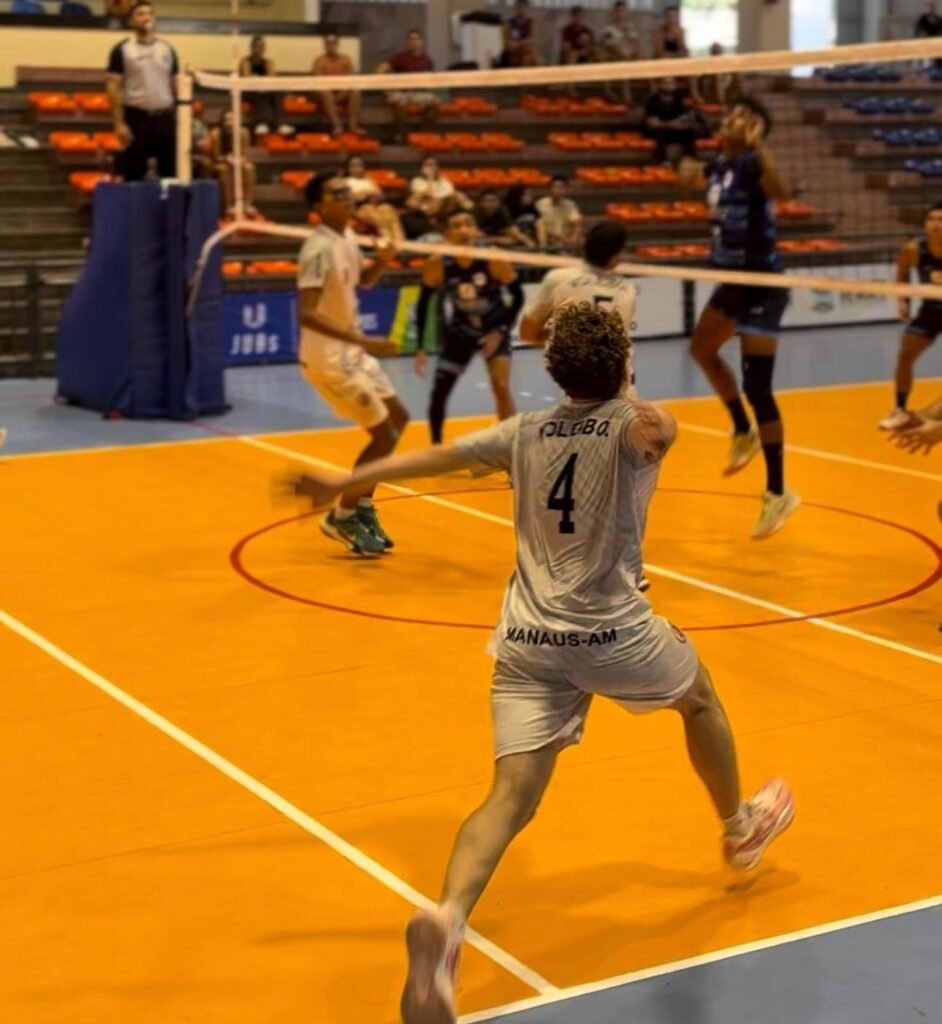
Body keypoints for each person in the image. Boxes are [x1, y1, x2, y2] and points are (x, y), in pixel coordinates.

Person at [287, 303, 796, 1024]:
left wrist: (343, 480)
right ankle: (739, 827)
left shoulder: (522, 432)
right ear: (623, 364)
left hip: (526, 641)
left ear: (555, 372)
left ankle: (448, 918)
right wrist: (626, 385)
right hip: (612, 634)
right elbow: (650, 429)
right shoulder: (644, 426)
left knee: (509, 796)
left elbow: (439, 457)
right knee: (700, 699)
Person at [681, 97, 798, 540]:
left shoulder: (752, 164)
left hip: (763, 284)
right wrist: (683, 166)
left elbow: (782, 193)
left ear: (754, 130)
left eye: (741, 118)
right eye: (730, 114)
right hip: (731, 282)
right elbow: (688, 181)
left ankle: (777, 492)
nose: (729, 119)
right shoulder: (721, 166)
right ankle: (742, 429)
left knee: (757, 387)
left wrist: (760, 146)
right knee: (701, 349)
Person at [519, 220, 648, 589]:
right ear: (617, 255)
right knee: (622, 481)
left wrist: (561, 338)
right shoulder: (626, 289)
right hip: (623, 392)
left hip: (579, 391)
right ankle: (620, 565)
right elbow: (617, 340)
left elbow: (527, 332)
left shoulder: (559, 278)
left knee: (586, 480)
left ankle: (584, 561)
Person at [296, 171, 410, 555]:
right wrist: (364, 340)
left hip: (352, 354)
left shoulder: (346, 236)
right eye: (338, 193)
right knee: (383, 435)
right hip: (329, 359)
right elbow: (306, 314)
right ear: (319, 206)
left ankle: (361, 505)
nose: (347, 196)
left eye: (348, 191)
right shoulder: (317, 249)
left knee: (399, 420)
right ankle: (341, 516)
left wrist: (384, 259)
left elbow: (363, 282)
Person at [414, 203, 523, 444]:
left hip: (493, 328)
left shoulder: (494, 258)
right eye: (456, 226)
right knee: (439, 393)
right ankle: (436, 447)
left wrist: (500, 331)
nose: (463, 230)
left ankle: (511, 446)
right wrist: (420, 346)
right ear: (447, 233)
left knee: (501, 385)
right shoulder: (437, 263)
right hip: (460, 332)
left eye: (468, 224)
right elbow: (423, 304)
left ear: (476, 230)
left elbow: (517, 298)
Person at [878, 204, 942, 430]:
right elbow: (902, 274)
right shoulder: (913, 249)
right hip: (931, 310)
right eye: (931, 219)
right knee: (905, 356)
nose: (936, 224)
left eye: (941, 220)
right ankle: (900, 410)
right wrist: (903, 302)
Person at [106, 1, 178, 181]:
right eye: (140, 14)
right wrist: (118, 123)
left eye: (149, 13)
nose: (146, 17)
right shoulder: (122, 50)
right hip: (136, 118)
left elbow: (176, 85)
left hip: (164, 118)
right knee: (134, 172)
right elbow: (113, 88)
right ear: (131, 21)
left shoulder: (167, 50)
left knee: (170, 172)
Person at [380, 30, 440, 144]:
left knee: (436, 104)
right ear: (407, 43)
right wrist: (385, 80)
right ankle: (400, 135)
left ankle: (423, 134)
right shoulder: (400, 57)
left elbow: (433, 79)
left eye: (416, 39)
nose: (414, 42)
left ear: (421, 42)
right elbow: (383, 68)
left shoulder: (427, 60)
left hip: (419, 93)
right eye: (411, 39)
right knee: (396, 102)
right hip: (402, 93)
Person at [207, 110, 259, 218]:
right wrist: (227, 159)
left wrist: (240, 160)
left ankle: (247, 204)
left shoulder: (243, 133)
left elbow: (245, 153)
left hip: (238, 160)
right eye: (227, 120)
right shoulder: (216, 134)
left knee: (249, 168)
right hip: (220, 162)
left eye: (232, 120)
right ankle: (228, 205)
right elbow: (216, 156)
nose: (229, 123)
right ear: (222, 121)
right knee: (224, 170)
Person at [343, 156, 405, 245]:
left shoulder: (369, 180)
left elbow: (380, 194)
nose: (356, 168)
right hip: (360, 208)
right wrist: (364, 195)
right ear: (348, 168)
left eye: (359, 165)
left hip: (376, 205)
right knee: (370, 210)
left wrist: (377, 196)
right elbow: (347, 199)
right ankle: (387, 241)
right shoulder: (345, 182)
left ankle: (400, 241)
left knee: (387, 208)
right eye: (353, 166)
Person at [312, 32, 363, 137]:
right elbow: (317, 80)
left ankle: (353, 126)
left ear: (337, 44)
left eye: (333, 43)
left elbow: (352, 78)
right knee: (324, 91)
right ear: (325, 45)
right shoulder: (319, 61)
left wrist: (343, 93)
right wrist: (331, 93)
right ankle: (337, 126)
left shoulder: (346, 59)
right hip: (325, 93)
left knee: (356, 91)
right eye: (328, 43)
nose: (331, 45)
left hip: (343, 91)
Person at [239, 36, 286, 137]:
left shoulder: (268, 63)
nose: (258, 49)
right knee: (260, 92)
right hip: (248, 92)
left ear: (264, 48)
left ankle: (280, 124)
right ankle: (261, 123)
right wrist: (260, 83)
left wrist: (262, 83)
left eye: (261, 46)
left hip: (265, 89)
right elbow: (247, 79)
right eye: (256, 46)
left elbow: (273, 79)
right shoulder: (246, 61)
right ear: (251, 48)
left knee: (277, 92)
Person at [643, 76, 697, 165]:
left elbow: (684, 117)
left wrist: (683, 123)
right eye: (666, 83)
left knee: (689, 132)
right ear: (659, 85)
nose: (669, 85)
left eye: (672, 83)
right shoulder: (653, 100)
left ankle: (690, 159)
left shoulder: (679, 99)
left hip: (675, 129)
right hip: (658, 130)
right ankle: (662, 162)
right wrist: (671, 124)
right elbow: (652, 123)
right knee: (660, 133)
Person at [601, 0, 641, 105]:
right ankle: (626, 97)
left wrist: (638, 53)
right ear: (614, 12)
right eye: (618, 10)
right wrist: (623, 55)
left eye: (623, 10)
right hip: (616, 56)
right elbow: (610, 46)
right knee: (623, 64)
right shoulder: (609, 28)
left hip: (630, 55)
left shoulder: (630, 26)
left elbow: (636, 41)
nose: (620, 13)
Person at [535, 176, 583, 250]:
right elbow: (538, 226)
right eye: (556, 187)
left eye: (562, 187)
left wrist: (572, 239)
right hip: (548, 240)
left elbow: (576, 221)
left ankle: (572, 248)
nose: (558, 190)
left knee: (578, 222)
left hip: (565, 241)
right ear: (550, 189)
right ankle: (543, 251)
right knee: (540, 224)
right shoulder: (540, 204)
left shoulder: (570, 204)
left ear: (566, 190)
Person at [503, 184, 546, 248]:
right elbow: (511, 229)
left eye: (530, 194)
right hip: (516, 239)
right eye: (527, 195)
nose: (530, 197)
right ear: (518, 196)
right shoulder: (507, 209)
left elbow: (540, 224)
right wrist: (528, 241)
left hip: (531, 237)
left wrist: (543, 245)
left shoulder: (531, 208)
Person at [500, 0, 540, 67]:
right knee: (514, 52)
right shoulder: (508, 23)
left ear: (526, 8)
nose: (520, 9)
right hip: (512, 53)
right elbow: (507, 43)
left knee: (530, 55)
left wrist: (519, 44)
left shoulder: (531, 23)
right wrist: (520, 45)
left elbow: (532, 40)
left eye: (522, 7)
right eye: (518, 7)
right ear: (515, 8)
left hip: (526, 51)